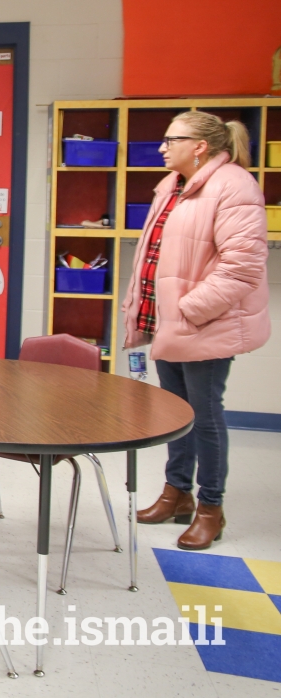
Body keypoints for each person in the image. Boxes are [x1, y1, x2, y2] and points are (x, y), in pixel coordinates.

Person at [124, 111, 269, 551]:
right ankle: (177, 493)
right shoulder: (172, 185)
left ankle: (211, 508)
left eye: (172, 140)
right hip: (171, 322)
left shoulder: (234, 186)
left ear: (201, 146)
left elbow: (242, 267)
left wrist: (189, 309)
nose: (163, 147)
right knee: (175, 414)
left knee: (203, 416)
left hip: (202, 323)